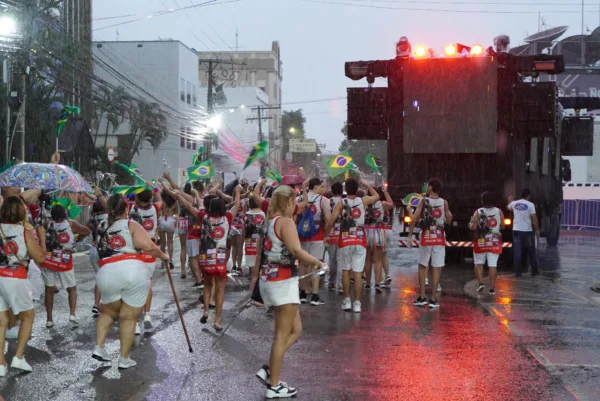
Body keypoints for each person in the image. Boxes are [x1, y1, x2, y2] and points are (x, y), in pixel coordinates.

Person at [254, 185, 326, 399]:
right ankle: (273, 386)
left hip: (272, 280)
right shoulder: (285, 222)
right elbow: (296, 250)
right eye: (294, 202)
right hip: (282, 282)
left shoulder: (269, 221)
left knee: (296, 330)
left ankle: (269, 369)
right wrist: (317, 262)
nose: (296, 206)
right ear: (288, 203)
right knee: (281, 335)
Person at [92, 194, 168, 369]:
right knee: (128, 317)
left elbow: (99, 251)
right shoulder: (131, 224)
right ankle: (123, 358)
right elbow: (147, 246)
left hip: (106, 272)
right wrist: (163, 256)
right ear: (127, 209)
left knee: (108, 313)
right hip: (132, 269)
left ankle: (99, 346)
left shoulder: (102, 226)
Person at [179, 187, 241, 330]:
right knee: (219, 289)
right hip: (219, 260)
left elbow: (188, 207)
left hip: (205, 258)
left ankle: (206, 310)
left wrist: (179, 196)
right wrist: (237, 192)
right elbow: (237, 206)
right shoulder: (228, 218)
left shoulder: (203, 217)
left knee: (207, 286)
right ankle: (217, 319)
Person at [0, 196, 46, 375]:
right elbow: (40, 258)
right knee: (28, 316)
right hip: (15, 277)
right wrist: (41, 238)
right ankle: (18, 357)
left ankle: (1, 364)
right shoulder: (25, 232)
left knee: (1, 321)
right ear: (21, 212)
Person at [325, 178, 379, 313]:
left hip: (345, 239)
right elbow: (377, 196)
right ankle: (357, 303)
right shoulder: (363, 200)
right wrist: (367, 184)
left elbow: (331, 221)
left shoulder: (341, 203)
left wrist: (326, 235)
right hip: (360, 239)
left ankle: (347, 301)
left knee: (346, 271)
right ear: (357, 188)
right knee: (358, 273)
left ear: (345, 189)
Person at [40, 204, 90, 328]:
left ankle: (49, 319)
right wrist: (76, 240)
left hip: (49, 259)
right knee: (71, 288)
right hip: (64, 259)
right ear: (64, 214)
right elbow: (87, 230)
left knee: (49, 289)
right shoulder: (71, 224)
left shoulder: (47, 224)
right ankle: (72, 314)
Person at [409, 178, 452, 309]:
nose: (426, 188)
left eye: (428, 186)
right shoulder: (444, 202)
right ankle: (433, 299)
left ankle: (422, 297)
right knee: (436, 267)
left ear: (431, 188)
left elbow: (415, 219)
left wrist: (410, 235)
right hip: (439, 237)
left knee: (423, 265)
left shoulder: (424, 201)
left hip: (426, 236)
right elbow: (449, 220)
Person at [129, 188, 163, 331]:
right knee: (147, 283)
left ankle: (136, 322)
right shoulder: (155, 208)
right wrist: (155, 188)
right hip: (151, 251)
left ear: (137, 197)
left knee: (134, 286)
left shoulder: (130, 208)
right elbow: (160, 199)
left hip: (135, 251)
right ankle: (147, 314)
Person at [297, 178, 330, 306]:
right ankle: (315, 295)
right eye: (321, 186)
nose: (323, 189)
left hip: (302, 236)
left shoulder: (300, 199)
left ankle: (303, 293)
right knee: (316, 264)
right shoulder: (323, 200)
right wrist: (327, 234)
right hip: (318, 235)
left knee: (303, 265)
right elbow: (328, 218)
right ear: (315, 187)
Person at [470, 191, 505, 294]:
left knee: (478, 263)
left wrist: (470, 225)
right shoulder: (499, 212)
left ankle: (481, 283)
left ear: (482, 201)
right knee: (492, 265)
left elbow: (474, 227)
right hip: (494, 241)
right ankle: (492, 289)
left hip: (481, 241)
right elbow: (503, 226)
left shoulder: (478, 211)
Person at [364, 186, 394, 293]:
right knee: (378, 260)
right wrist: (385, 192)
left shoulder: (364, 203)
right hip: (378, 232)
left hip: (367, 232)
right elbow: (392, 205)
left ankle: (367, 283)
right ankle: (377, 283)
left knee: (367, 260)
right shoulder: (383, 204)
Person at [508, 189, 540, 277]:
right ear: (528, 196)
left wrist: (510, 201)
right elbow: (534, 219)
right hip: (528, 232)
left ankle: (518, 272)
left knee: (517, 252)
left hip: (516, 231)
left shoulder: (514, 203)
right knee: (531, 251)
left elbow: (508, 207)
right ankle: (534, 270)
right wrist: (537, 231)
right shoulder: (530, 205)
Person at [326, 182, 344, 294]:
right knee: (341, 259)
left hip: (331, 233)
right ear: (342, 191)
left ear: (332, 191)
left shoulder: (328, 202)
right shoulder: (345, 202)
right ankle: (341, 284)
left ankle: (331, 282)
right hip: (343, 234)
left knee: (332, 259)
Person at [242, 197, 266, 275]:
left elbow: (243, 231)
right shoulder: (264, 214)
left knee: (250, 261)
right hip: (261, 242)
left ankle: (251, 277)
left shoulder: (246, 215)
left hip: (249, 242)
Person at [158, 189, 178, 269]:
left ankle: (163, 261)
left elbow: (159, 212)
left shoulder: (162, 203)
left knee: (162, 243)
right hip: (170, 220)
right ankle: (170, 260)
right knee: (170, 242)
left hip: (163, 220)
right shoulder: (175, 203)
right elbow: (176, 213)